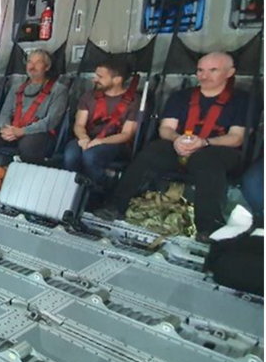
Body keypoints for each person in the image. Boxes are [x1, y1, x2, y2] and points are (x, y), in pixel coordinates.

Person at [97, 53, 250, 241]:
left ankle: (208, 228)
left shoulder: (241, 100)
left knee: (207, 162)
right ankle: (115, 206)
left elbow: (236, 137)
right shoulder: (181, 97)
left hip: (218, 149)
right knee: (152, 152)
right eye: (200, 70)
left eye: (213, 70)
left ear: (230, 72)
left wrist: (205, 142)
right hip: (180, 144)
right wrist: (177, 139)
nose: (204, 75)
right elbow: (166, 128)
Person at [0, 50, 68, 166]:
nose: (32, 66)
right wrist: (5, 129)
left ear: (47, 67)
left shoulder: (59, 90)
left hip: (40, 134)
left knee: (27, 145)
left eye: (38, 63)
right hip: (13, 131)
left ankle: (27, 181)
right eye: (30, 62)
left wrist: (22, 131)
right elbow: (5, 113)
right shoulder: (17, 88)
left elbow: (51, 121)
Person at [63, 59, 142, 186]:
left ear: (117, 80)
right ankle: (71, 191)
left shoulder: (133, 101)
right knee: (71, 155)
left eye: (100, 77)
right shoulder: (89, 96)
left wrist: (100, 141)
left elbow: (126, 134)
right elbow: (79, 125)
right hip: (88, 138)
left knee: (91, 156)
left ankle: (98, 190)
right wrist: (83, 138)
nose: (95, 79)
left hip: (116, 142)